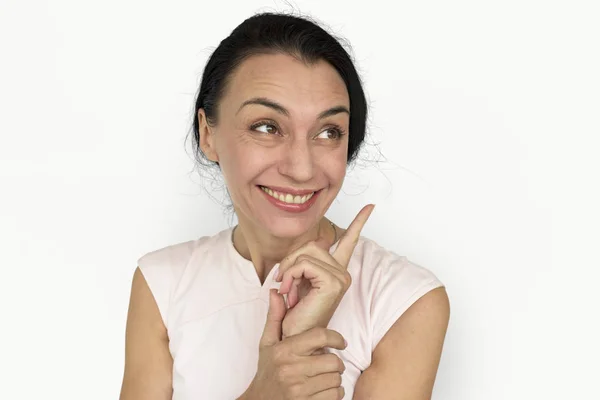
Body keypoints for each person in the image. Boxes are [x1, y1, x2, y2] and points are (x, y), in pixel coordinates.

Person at [119, 12, 450, 400]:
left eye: (329, 132)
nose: (301, 168)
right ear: (209, 134)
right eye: (267, 126)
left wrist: (300, 341)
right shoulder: (162, 282)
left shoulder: (403, 299)